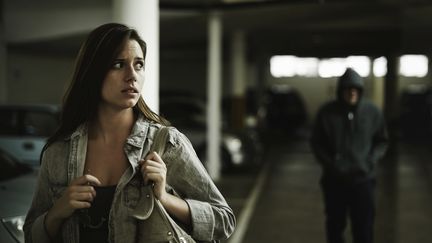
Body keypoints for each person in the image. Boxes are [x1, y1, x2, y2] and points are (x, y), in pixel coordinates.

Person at [23, 23, 235, 243]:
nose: (132, 75)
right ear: (93, 72)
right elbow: (30, 236)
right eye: (118, 64)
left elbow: (224, 221)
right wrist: (58, 211)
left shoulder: (166, 144)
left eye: (139, 65)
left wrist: (163, 197)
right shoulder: (58, 152)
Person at [310, 68, 388, 243]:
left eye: (356, 89)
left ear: (360, 91)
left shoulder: (372, 112)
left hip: (363, 181)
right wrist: (331, 164)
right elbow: (316, 143)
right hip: (335, 181)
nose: (352, 92)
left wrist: (369, 161)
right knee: (335, 227)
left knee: (364, 228)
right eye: (348, 89)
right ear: (340, 91)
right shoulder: (327, 113)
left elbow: (382, 141)